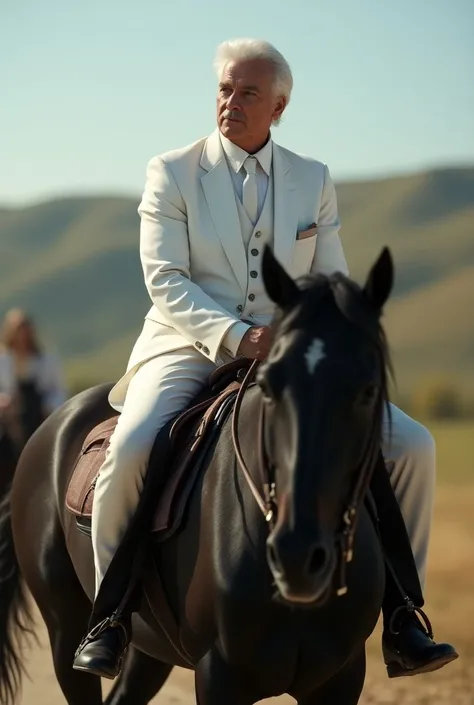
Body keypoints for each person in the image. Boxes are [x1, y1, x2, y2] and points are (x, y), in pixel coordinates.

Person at [73, 38, 457, 679]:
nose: (230, 102)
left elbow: (329, 281)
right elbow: (165, 278)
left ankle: (401, 615)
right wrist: (236, 336)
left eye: (247, 92)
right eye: (224, 89)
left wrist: (311, 337)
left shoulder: (314, 178)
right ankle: (111, 615)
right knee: (135, 444)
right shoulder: (172, 170)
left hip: (289, 352)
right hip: (187, 343)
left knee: (413, 446)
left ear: (278, 106)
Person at [0, 308, 67, 451]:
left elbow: (58, 388)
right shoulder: (4, 359)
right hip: (11, 413)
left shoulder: (45, 358)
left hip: (40, 411)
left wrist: (49, 405)